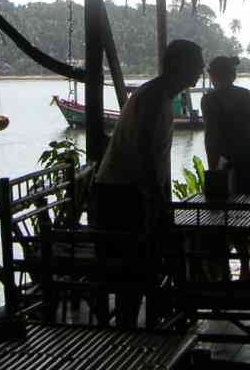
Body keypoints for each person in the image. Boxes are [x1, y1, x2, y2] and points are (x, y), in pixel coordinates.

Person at [92, 39, 204, 327]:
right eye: (197, 62)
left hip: (128, 191)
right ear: (182, 65)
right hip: (123, 195)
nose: (202, 68)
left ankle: (155, 327)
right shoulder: (155, 99)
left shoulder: (160, 95)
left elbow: (154, 158)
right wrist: (158, 203)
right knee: (137, 270)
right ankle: (134, 335)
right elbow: (145, 157)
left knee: (148, 266)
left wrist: (161, 201)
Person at [201, 56, 250, 195]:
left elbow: (211, 139)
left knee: (226, 213)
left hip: (226, 166)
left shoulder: (209, 100)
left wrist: (213, 171)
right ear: (233, 75)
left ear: (212, 75)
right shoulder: (249, 96)